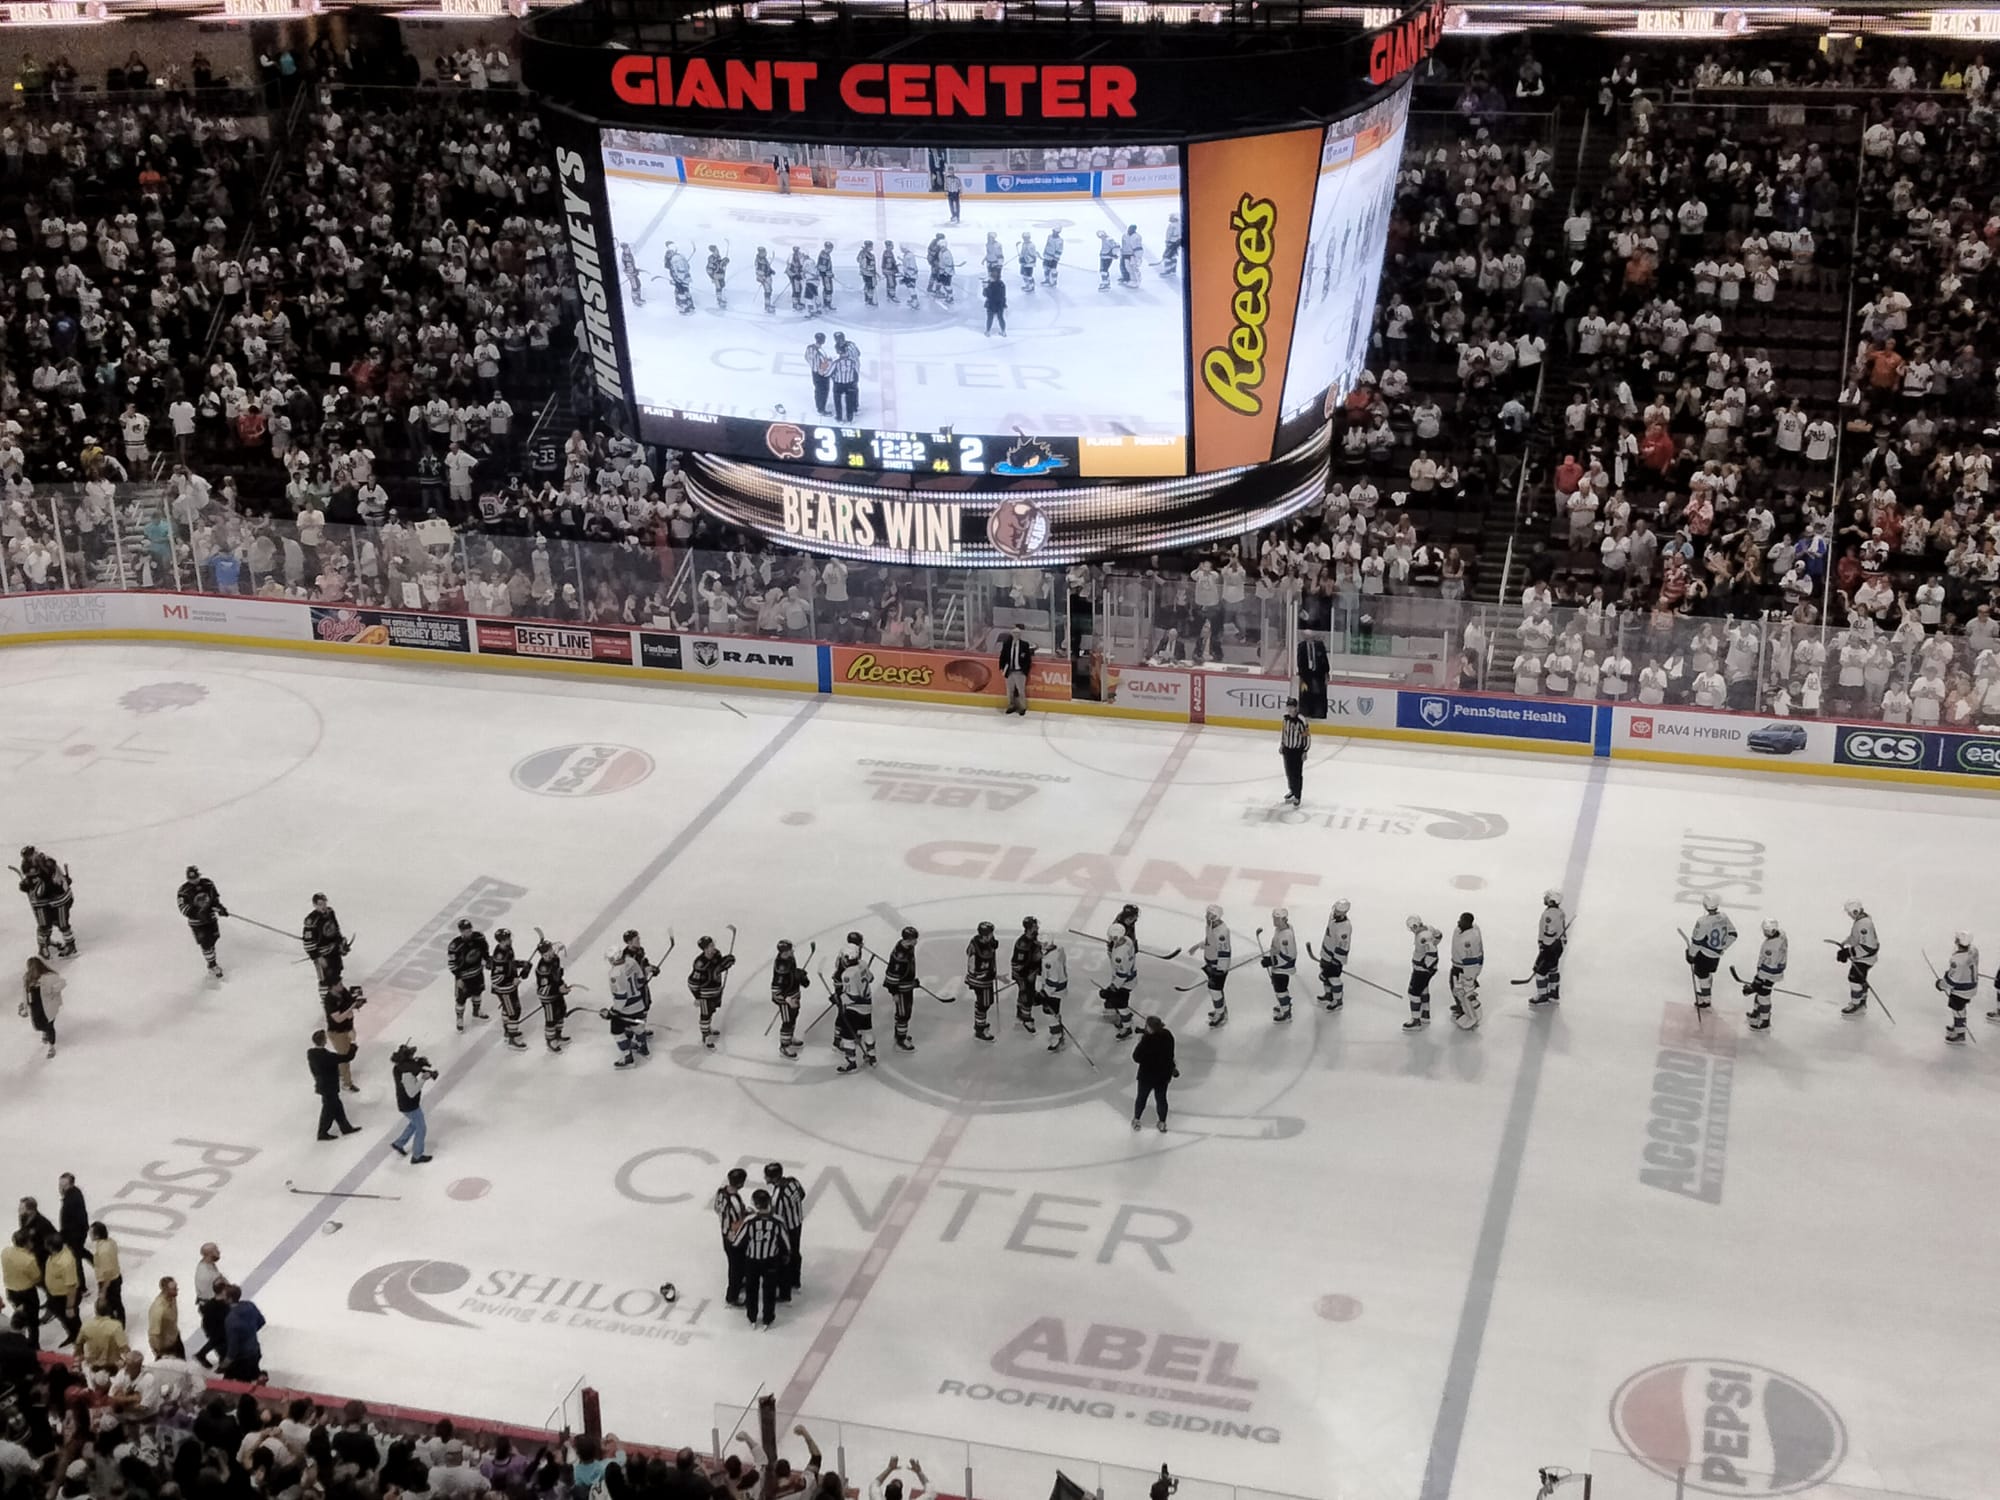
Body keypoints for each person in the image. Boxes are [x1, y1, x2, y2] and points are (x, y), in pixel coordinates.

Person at [732, 1188, 791, 1330]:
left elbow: (737, 1242)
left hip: (752, 1260)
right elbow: (786, 1244)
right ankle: (767, 1318)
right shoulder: (778, 1221)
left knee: (752, 1290)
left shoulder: (749, 1221)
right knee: (769, 1291)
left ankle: (752, 1317)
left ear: (755, 1204)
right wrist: (785, 1256)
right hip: (771, 1260)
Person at [1683, 895, 1737, 1011]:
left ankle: (1705, 1000)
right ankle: (1706, 991)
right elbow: (1733, 934)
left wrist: (1691, 955)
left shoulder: (1703, 921)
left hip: (1704, 954)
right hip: (1716, 955)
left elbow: (1697, 941)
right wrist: (1722, 947)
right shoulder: (1724, 917)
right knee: (1707, 973)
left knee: (1702, 975)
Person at [763, 1162, 805, 1300]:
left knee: (784, 1256)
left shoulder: (778, 1196)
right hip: (797, 1222)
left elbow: (777, 1217)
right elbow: (802, 1194)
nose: (765, 1178)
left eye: (767, 1176)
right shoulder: (793, 1182)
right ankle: (795, 1280)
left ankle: (784, 1286)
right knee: (795, 1252)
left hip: (786, 1229)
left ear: (772, 1178)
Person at [176, 865, 227, 978]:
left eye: (196, 877)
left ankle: (211, 960)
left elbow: (214, 899)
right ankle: (212, 965)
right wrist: (197, 914)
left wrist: (220, 908)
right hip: (197, 923)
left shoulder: (208, 884)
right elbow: (183, 908)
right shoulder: (183, 891)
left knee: (213, 939)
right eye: (191, 878)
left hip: (211, 919)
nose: (194, 880)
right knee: (206, 943)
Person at [309, 1029, 361, 1140]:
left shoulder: (312, 1054)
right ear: (324, 1041)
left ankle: (345, 1127)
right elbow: (347, 1057)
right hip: (329, 1087)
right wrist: (353, 1043)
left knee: (337, 1107)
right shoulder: (327, 1056)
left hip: (322, 1085)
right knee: (328, 1110)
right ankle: (322, 1132)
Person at [390, 1044, 436, 1164]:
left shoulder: (398, 1068)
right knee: (421, 1128)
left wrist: (419, 1066)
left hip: (404, 1103)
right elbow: (412, 1092)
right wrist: (423, 1079)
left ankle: (399, 1143)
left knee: (414, 1123)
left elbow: (412, 1068)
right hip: (410, 1105)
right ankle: (417, 1155)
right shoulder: (407, 1073)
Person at [1131, 1015, 1176, 1132]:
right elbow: (1170, 1054)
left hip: (1147, 1076)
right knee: (1161, 1099)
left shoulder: (1147, 1040)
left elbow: (1136, 1057)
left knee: (1142, 1098)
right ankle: (1162, 1122)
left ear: (1150, 1028)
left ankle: (1136, 1119)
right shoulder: (1167, 1035)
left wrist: (1141, 1042)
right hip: (1163, 1075)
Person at [1837, 899, 1879, 1015]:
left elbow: (1868, 947)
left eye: (1849, 912)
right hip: (1864, 957)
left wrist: (1848, 952)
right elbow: (1856, 937)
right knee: (1860, 979)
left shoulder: (1863, 924)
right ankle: (1862, 1001)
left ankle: (1856, 1004)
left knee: (1854, 979)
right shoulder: (1862, 920)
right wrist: (1846, 942)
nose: (1849, 915)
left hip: (1865, 959)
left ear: (1854, 911)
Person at [1743, 920, 1787, 1032]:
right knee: (1760, 992)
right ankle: (1757, 1011)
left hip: (1770, 974)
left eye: (1765, 931)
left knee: (1763, 996)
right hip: (1774, 970)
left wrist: (1757, 982)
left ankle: (1764, 1021)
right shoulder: (1781, 934)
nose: (1763, 933)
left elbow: (1768, 968)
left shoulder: (1771, 948)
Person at [712, 1168, 748, 1307]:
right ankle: (732, 1295)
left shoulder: (721, 1192)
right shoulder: (735, 1201)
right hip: (734, 1237)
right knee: (736, 1267)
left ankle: (740, 1282)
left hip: (724, 1232)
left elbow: (716, 1208)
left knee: (736, 1263)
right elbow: (737, 1223)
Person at [447, 919, 489, 1032]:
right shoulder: (455, 945)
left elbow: (485, 951)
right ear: (461, 931)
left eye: (469, 929)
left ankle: (476, 1011)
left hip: (477, 972)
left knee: (478, 992)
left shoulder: (479, 938)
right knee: (461, 998)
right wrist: (459, 977)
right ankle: (459, 1018)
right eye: (465, 930)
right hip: (464, 976)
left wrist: (487, 960)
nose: (468, 932)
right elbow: (451, 964)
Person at [302, 893, 348, 995]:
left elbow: (336, 930)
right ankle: (327, 1005)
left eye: (324, 903)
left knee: (336, 975)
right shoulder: (311, 921)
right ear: (314, 905)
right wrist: (317, 957)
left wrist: (341, 943)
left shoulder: (330, 912)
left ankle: (338, 999)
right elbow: (308, 944)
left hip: (334, 951)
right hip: (323, 955)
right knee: (325, 980)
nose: (323, 906)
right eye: (319, 904)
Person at [1403, 916, 1441, 1030]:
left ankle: (1415, 1020)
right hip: (1426, 970)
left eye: (1411, 928)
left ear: (1414, 926)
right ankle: (1425, 1013)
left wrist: (1426, 965)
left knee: (1414, 993)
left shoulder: (1422, 937)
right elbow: (1439, 935)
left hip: (1422, 971)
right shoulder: (1429, 929)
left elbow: (1432, 951)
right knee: (1423, 989)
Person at [2, 1230, 39, 1346]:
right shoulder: (28, 1260)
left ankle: (19, 1340)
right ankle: (34, 1345)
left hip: (11, 1291)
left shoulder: (5, 1252)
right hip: (27, 1293)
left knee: (19, 1316)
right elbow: (37, 1276)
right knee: (32, 1321)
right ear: (27, 1243)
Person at [221, 1283, 264, 1382]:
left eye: (224, 1296)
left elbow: (233, 1347)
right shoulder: (250, 1305)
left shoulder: (231, 1319)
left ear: (229, 1299)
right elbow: (261, 1321)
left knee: (241, 1382)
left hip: (242, 1358)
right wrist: (250, 1331)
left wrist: (225, 1363)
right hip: (255, 1350)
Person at [21, 956, 63, 1058]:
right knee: (38, 1025)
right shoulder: (27, 978)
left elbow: (61, 983)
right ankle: (45, 1032)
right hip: (35, 1005)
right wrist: (25, 1006)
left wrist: (52, 990)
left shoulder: (48, 977)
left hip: (48, 1005)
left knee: (49, 1025)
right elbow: (25, 993)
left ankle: (51, 1046)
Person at [1449, 912, 1484, 1029]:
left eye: (1461, 920)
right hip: (1460, 966)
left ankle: (1470, 1014)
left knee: (1463, 992)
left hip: (1464, 969)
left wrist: (1469, 978)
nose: (1458, 922)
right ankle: (1463, 1007)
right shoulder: (1471, 929)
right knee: (1459, 990)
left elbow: (1471, 960)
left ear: (1467, 923)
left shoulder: (1468, 941)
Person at [1942, 932, 1978, 1043]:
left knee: (1957, 1010)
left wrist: (1940, 984)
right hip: (1972, 985)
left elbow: (1952, 980)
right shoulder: (1974, 950)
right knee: (1960, 1008)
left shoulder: (1958, 960)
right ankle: (1958, 1026)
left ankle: (1960, 1034)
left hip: (1961, 990)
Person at [1532, 891, 1567, 1006]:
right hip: (1558, 946)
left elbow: (1549, 932)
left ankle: (1542, 996)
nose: (1545, 899)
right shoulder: (1560, 912)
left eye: (1547, 898)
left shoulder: (1549, 915)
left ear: (1552, 901)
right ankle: (1553, 993)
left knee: (1540, 972)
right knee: (1553, 969)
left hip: (1550, 947)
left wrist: (1543, 947)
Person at [1263, 908, 1297, 1022]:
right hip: (1279, 965)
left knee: (1280, 989)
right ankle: (1284, 1004)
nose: (1274, 921)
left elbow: (1287, 955)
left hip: (1283, 968)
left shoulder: (1286, 935)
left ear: (1283, 919)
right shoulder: (1280, 929)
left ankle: (1286, 1012)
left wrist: (1271, 961)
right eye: (1274, 918)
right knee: (1279, 987)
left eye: (1277, 918)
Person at [1200, 905, 1232, 1028]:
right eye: (1207, 914)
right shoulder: (1210, 925)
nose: (1207, 916)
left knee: (1215, 990)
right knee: (1215, 990)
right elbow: (1210, 941)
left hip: (1217, 966)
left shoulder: (1222, 932)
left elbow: (1224, 952)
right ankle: (1221, 1009)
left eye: (1210, 915)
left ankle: (1220, 1015)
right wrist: (1201, 945)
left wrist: (1220, 970)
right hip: (1210, 963)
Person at [1318, 900, 1352, 1011]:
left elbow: (1343, 947)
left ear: (1344, 913)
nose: (1335, 912)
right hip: (1325, 953)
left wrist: (1335, 962)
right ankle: (1329, 994)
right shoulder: (1333, 917)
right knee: (1325, 975)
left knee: (1333, 978)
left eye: (1338, 911)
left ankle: (1337, 1000)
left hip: (1334, 958)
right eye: (1335, 910)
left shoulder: (1344, 928)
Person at [87, 1222, 121, 1322]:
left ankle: (116, 1325)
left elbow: (108, 1274)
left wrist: (103, 1290)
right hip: (115, 1277)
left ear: (97, 1235)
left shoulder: (104, 1251)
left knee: (111, 1306)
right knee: (117, 1304)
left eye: (91, 1233)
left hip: (109, 1282)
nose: (90, 1235)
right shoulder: (110, 1242)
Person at [1278, 698, 1309, 806]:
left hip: (1297, 751)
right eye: (1288, 707)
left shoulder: (1301, 720)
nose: (1290, 709)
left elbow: (1307, 737)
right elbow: (1284, 733)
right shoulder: (1285, 718)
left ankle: (1297, 795)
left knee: (1297, 774)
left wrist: (1305, 750)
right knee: (1289, 772)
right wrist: (1282, 745)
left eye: (1292, 707)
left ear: (1296, 707)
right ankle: (1292, 790)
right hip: (1287, 750)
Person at [998, 623, 1034, 715]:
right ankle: (1011, 705)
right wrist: (1002, 667)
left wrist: (1024, 671)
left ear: (1020, 634)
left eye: (1017, 633)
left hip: (1020, 672)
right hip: (1009, 671)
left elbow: (1028, 660)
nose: (1016, 635)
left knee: (1021, 690)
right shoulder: (1007, 644)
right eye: (1014, 633)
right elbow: (1002, 657)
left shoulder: (1024, 645)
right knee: (1009, 690)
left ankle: (1022, 707)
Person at [148, 1275, 184, 1358]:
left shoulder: (172, 1297)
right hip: (165, 1347)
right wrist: (159, 1352)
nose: (177, 1291)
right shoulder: (158, 1309)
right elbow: (153, 1334)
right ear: (165, 1290)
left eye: (176, 1288)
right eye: (174, 1289)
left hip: (175, 1337)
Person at [982, 272, 1007, 337]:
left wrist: (984, 288)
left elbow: (986, 295)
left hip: (991, 304)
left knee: (990, 318)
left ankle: (987, 331)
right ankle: (1003, 332)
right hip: (1000, 304)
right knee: (1001, 318)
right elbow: (1004, 295)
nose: (989, 278)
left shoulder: (990, 285)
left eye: (990, 277)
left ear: (993, 278)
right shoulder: (1002, 284)